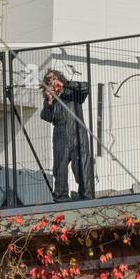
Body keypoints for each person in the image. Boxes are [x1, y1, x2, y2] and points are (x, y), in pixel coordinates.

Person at [40, 70, 94, 202]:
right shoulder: (49, 99)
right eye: (49, 80)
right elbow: (46, 117)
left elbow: (86, 87)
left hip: (78, 134)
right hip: (60, 136)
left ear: (59, 78)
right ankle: (61, 197)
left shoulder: (72, 92)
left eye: (53, 78)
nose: (51, 82)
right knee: (60, 167)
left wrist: (65, 84)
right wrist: (50, 101)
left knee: (82, 166)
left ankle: (86, 196)